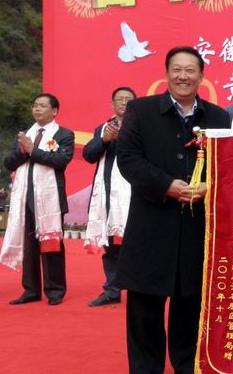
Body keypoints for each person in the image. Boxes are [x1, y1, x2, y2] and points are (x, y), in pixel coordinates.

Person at [115, 46, 230, 373]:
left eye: (190, 70)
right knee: (145, 312)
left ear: (201, 76)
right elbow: (129, 160)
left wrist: (209, 186)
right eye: (176, 70)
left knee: (190, 311)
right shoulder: (141, 110)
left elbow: (230, 164)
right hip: (151, 227)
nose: (183, 76)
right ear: (166, 74)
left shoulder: (219, 117)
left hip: (197, 228)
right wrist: (167, 185)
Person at [0, 93, 75, 306]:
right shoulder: (25, 135)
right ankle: (31, 290)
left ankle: (55, 291)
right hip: (25, 198)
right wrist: (24, 152)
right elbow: (9, 163)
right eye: (35, 105)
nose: (37, 109)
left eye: (42, 106)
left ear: (54, 111)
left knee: (51, 244)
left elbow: (61, 160)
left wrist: (33, 150)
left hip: (50, 200)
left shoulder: (64, 134)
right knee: (29, 247)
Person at [83, 86, 137, 307]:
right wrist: (104, 140)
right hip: (108, 194)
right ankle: (112, 290)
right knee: (112, 245)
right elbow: (89, 155)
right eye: (119, 99)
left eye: (128, 99)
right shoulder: (103, 128)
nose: (123, 102)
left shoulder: (143, 126)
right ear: (112, 104)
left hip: (134, 192)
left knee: (135, 244)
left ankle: (138, 289)